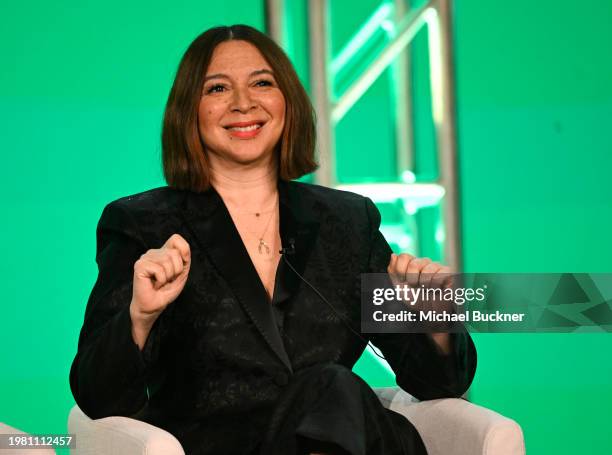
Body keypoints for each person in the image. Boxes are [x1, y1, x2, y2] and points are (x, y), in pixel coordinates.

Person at [69, 24, 476, 455]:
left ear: (288, 102)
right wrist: (139, 317)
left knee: (332, 388)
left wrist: (433, 319)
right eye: (217, 88)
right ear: (189, 110)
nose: (243, 103)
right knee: (332, 385)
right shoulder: (142, 223)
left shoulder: (348, 221)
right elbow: (99, 398)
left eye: (262, 83)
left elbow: (440, 383)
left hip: (350, 437)